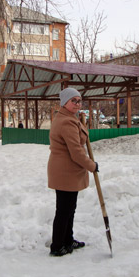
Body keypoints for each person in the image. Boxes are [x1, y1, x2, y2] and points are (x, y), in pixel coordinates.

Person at [47, 88, 98, 257]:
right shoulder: (67, 122)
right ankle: (57, 246)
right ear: (65, 103)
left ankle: (67, 240)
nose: (77, 104)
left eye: (79, 100)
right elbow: (76, 151)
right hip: (66, 171)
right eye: (73, 101)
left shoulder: (67, 118)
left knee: (69, 208)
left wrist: (80, 123)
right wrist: (92, 165)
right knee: (64, 210)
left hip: (68, 170)